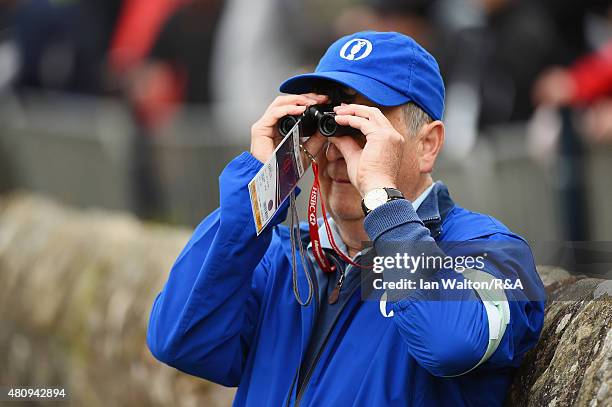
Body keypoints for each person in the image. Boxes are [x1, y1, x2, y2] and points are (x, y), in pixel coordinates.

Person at [147, 31, 546, 406]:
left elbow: (452, 342)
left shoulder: (493, 251)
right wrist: (261, 188)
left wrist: (382, 199)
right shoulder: (284, 258)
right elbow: (180, 340)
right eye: (327, 121)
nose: (337, 148)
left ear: (428, 145)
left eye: (361, 125)